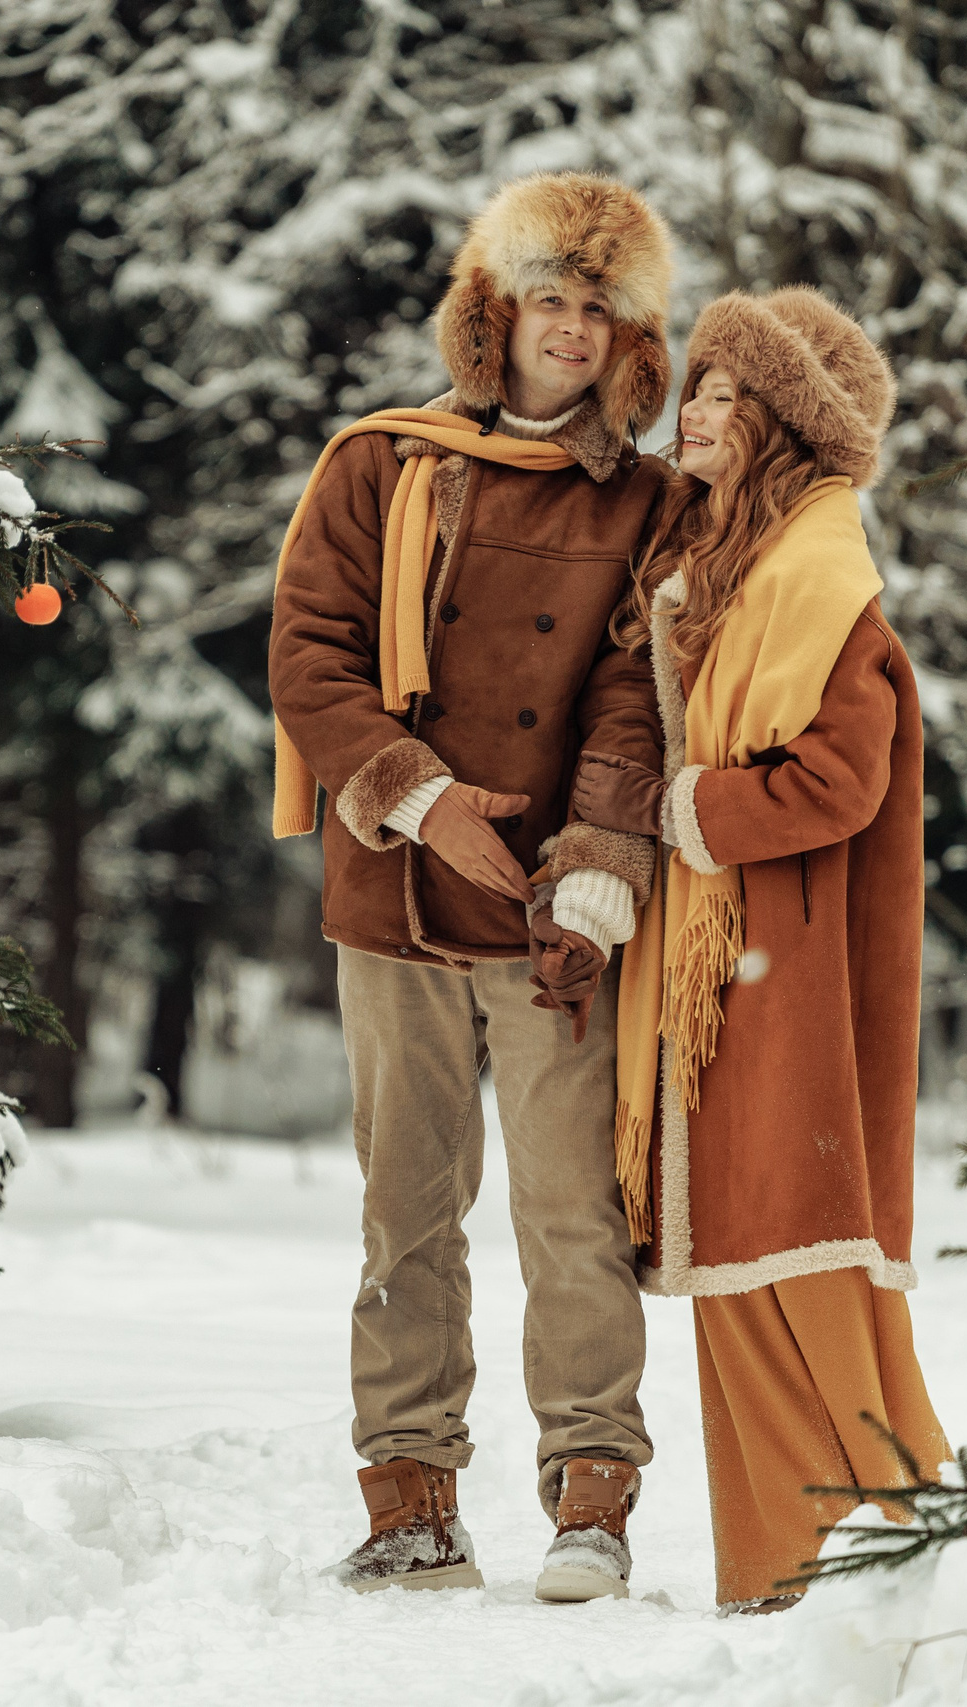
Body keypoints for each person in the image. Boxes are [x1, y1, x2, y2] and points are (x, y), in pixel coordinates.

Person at [266, 171, 677, 1601]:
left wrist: (599, 860)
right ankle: (412, 1502)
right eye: (548, 301)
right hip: (395, 891)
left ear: (631, 346)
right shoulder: (381, 464)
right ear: (492, 319)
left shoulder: (654, 506)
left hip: (558, 906)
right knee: (408, 1210)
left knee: (573, 1212)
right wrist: (421, 800)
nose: (570, 329)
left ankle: (592, 1500)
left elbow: (641, 696)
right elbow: (309, 652)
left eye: (597, 310)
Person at [613, 287, 950, 1614]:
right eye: (692, 388)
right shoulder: (721, 568)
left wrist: (693, 809)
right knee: (733, 1256)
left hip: (787, 966)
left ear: (783, 429)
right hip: (722, 966)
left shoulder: (823, 582)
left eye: (719, 396)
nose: (690, 413)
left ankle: (905, 1536)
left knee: (804, 1253)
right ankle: (781, 1573)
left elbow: (839, 782)